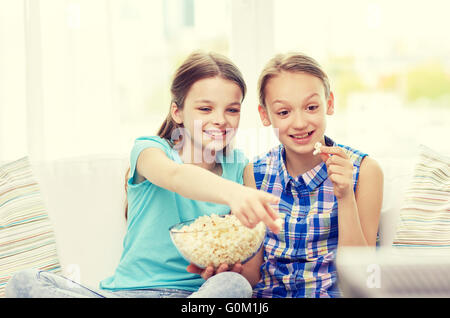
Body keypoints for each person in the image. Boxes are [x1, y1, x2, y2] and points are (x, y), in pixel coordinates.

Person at [5, 51, 281, 298]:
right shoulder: (150, 151)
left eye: (232, 110)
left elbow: (252, 276)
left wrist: (227, 269)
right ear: (178, 112)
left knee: (235, 285)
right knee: (24, 281)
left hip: (194, 296)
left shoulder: (239, 166)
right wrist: (234, 193)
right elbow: (176, 176)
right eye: (205, 108)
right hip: (125, 294)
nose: (220, 119)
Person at [241, 52, 384, 297]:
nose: (299, 122)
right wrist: (224, 268)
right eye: (284, 112)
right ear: (265, 115)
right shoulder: (255, 174)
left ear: (329, 103)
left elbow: (363, 277)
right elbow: (252, 275)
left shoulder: (366, 171)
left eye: (311, 107)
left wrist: (345, 196)